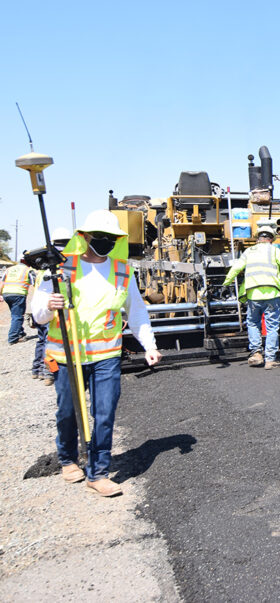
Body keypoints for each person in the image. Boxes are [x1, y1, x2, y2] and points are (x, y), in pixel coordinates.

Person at [30, 210, 162, 497]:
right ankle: (67, 459)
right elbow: (38, 316)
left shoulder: (122, 271)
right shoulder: (61, 269)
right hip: (68, 357)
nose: (105, 242)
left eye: (111, 238)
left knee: (104, 413)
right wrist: (49, 305)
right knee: (68, 413)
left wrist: (150, 346)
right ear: (85, 237)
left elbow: (136, 313)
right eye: (99, 237)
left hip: (106, 356)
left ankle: (98, 472)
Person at [222, 221, 280, 369]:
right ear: (271, 238)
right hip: (271, 294)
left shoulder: (249, 252)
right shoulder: (276, 251)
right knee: (272, 326)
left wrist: (226, 283)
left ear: (258, 238)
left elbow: (236, 268)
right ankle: (270, 360)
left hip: (253, 295)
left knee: (253, 323)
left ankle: (256, 354)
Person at [31, 227, 73, 385]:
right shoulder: (54, 267)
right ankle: (47, 373)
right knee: (49, 344)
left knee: (43, 341)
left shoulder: (42, 267)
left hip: (46, 308)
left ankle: (39, 370)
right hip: (49, 309)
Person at [2, 254, 34, 344]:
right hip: (18, 294)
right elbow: (35, 283)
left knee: (15, 315)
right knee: (18, 316)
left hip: (6, 294)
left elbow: (2, 282)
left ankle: (20, 332)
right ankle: (13, 338)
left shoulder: (9, 269)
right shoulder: (28, 270)